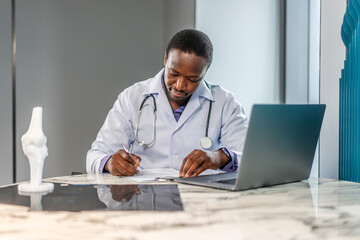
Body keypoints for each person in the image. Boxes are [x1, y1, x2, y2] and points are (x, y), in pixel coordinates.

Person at [86, 29, 248, 178]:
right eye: (173, 73)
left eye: (193, 79)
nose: (179, 86)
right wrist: (109, 163)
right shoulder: (132, 98)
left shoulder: (224, 102)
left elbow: (250, 158)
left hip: (200, 200)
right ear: (165, 59)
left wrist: (221, 157)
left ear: (205, 71)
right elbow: (96, 155)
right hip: (145, 199)